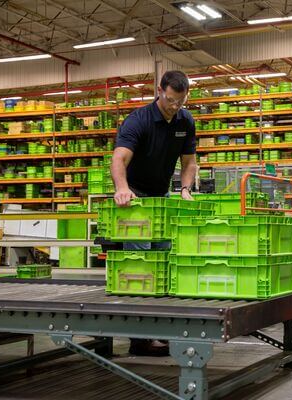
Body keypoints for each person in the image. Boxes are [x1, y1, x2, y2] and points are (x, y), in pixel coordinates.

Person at [111, 70, 197, 356]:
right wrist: (122, 188)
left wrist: (185, 189)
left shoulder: (186, 121)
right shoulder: (139, 120)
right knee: (142, 266)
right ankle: (140, 340)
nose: (175, 107)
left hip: (161, 197)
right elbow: (119, 158)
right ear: (159, 90)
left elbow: (189, 162)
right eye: (171, 100)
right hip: (135, 198)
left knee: (165, 263)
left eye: (180, 102)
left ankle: (160, 329)